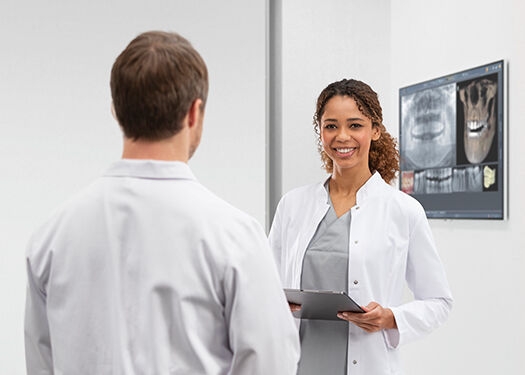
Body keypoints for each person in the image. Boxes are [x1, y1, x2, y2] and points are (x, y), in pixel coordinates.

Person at [24, 31, 300, 375]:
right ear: (193, 113)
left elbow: (41, 364)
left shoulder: (52, 237)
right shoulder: (234, 237)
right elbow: (271, 363)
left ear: (116, 110)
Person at [268, 78, 453, 375]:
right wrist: (273, 302)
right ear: (320, 132)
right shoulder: (292, 205)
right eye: (331, 126)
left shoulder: (403, 211)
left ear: (375, 130)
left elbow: (439, 301)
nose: (342, 136)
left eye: (355, 125)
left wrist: (391, 318)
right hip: (298, 364)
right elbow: (266, 287)